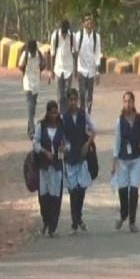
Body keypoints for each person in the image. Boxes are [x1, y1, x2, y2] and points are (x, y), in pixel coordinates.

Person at [111, 91, 140, 233]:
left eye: (129, 101)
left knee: (134, 190)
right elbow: (116, 142)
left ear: (134, 102)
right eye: (125, 101)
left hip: (136, 160)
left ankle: (132, 222)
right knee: (122, 190)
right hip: (122, 160)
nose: (127, 104)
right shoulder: (119, 121)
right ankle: (123, 214)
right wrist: (114, 163)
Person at [61, 88, 96, 235]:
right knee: (73, 191)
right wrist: (63, 147)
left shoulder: (84, 114)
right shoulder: (63, 118)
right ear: (67, 101)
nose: (73, 102)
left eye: (75, 99)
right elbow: (61, 136)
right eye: (71, 100)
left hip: (82, 158)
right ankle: (75, 222)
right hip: (70, 159)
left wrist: (88, 143)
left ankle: (78, 217)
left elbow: (94, 129)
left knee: (81, 190)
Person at [33, 100, 66, 237]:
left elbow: (67, 144)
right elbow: (35, 143)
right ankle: (45, 221)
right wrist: (44, 152)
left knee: (55, 196)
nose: (54, 115)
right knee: (44, 196)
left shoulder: (61, 126)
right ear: (47, 113)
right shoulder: (41, 126)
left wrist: (64, 148)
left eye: (56, 112)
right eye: (51, 113)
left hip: (57, 166)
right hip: (44, 167)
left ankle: (53, 226)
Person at [18, 40, 46, 140]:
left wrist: (38, 72)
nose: (33, 53)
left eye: (34, 51)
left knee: (33, 107)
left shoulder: (39, 55)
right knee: (30, 106)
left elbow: (43, 65)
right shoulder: (25, 55)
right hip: (27, 83)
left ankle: (29, 125)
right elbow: (20, 66)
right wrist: (26, 72)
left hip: (36, 84)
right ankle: (32, 131)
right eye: (32, 51)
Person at [75, 13, 102, 114]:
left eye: (90, 20)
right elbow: (76, 53)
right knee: (82, 94)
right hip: (81, 69)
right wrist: (76, 69)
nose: (89, 22)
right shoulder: (78, 36)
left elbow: (97, 53)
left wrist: (98, 71)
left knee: (89, 96)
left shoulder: (96, 37)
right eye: (86, 20)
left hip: (91, 71)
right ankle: (82, 116)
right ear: (83, 23)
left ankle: (88, 116)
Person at [50, 20, 76, 113]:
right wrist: (51, 71)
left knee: (67, 94)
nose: (64, 34)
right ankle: (61, 114)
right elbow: (52, 53)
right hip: (58, 68)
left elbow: (75, 53)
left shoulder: (72, 36)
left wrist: (75, 70)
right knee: (60, 96)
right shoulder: (55, 35)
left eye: (66, 32)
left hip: (69, 68)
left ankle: (66, 115)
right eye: (63, 31)